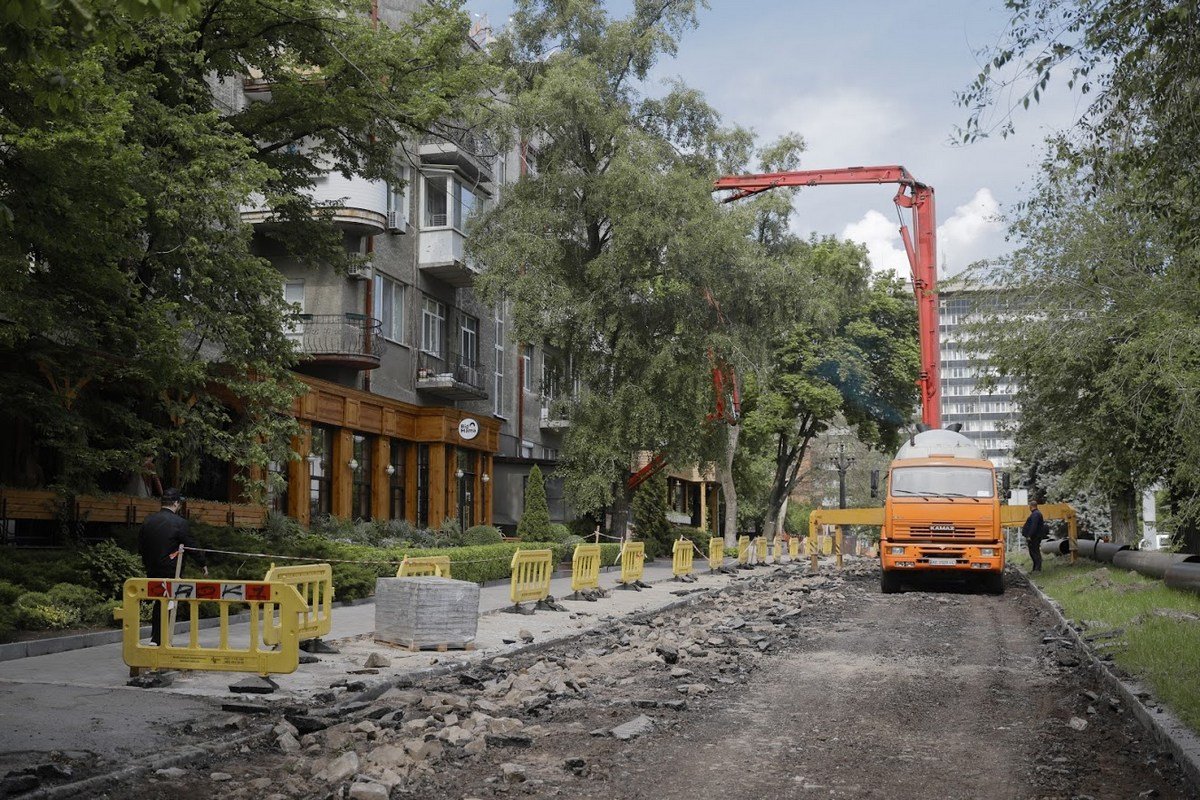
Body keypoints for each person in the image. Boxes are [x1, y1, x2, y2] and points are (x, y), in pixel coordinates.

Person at [137, 488, 206, 645]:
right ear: (176, 503)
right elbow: (191, 545)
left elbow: (141, 546)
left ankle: (157, 638)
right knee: (168, 602)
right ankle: (160, 639)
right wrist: (202, 563)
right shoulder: (180, 523)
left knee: (159, 601)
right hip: (171, 569)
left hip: (152, 569)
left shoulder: (148, 521)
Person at [1022, 500, 1048, 573]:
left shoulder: (1035, 514)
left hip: (1034, 537)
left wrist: (1029, 535)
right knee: (1033, 552)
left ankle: (1037, 569)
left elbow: (1033, 526)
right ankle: (1035, 568)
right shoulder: (1035, 514)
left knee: (1035, 552)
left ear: (1031, 506)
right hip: (1035, 536)